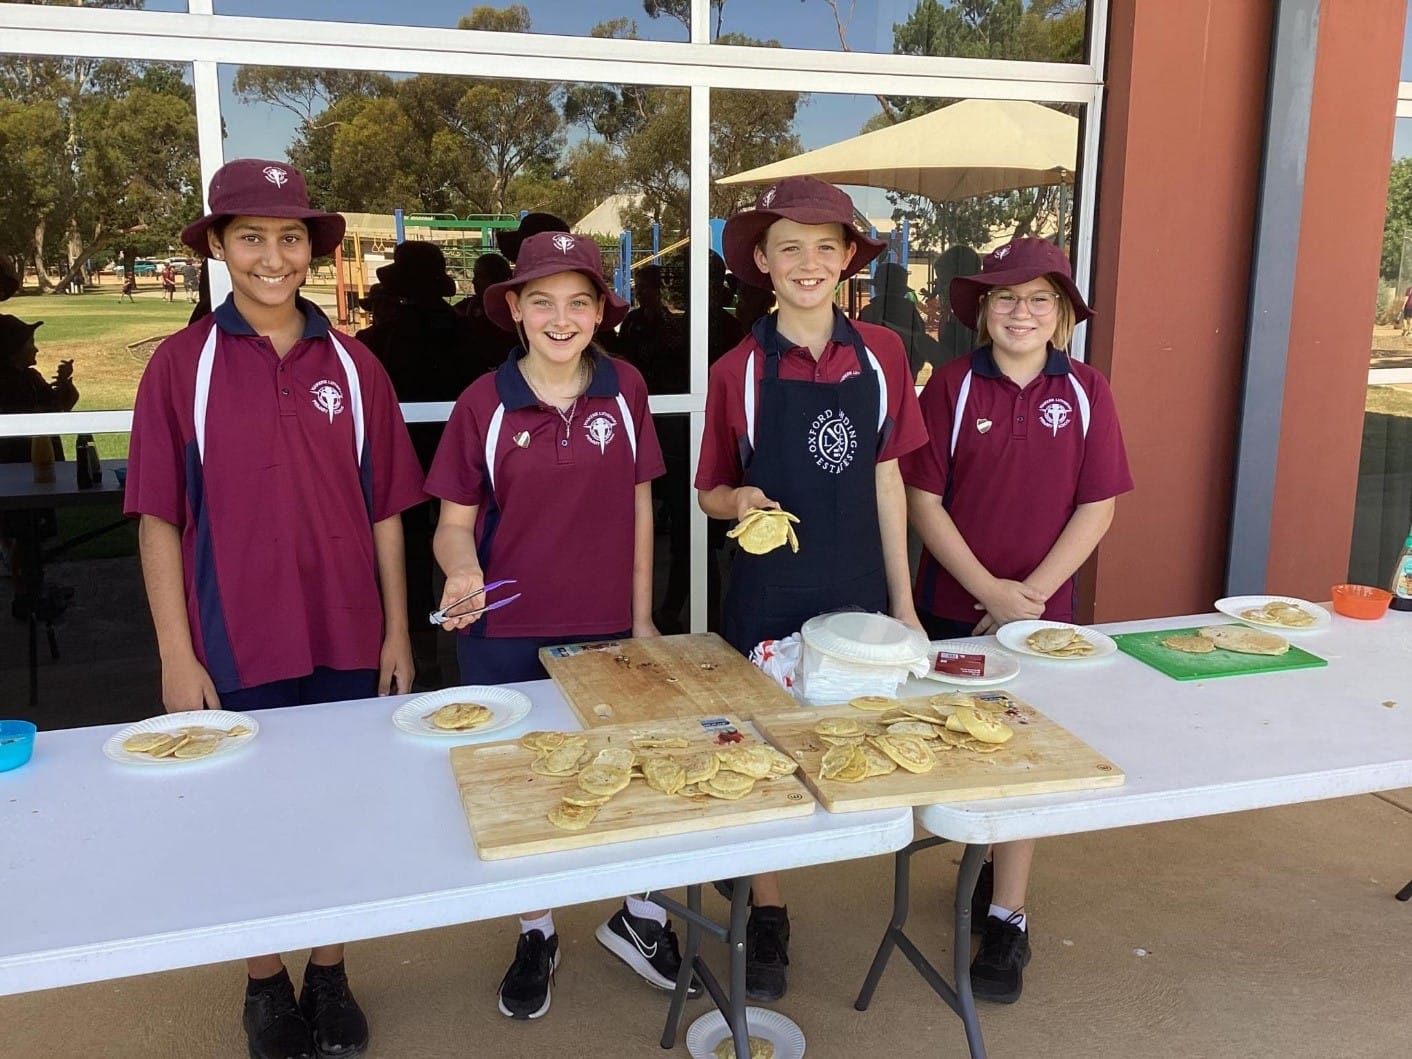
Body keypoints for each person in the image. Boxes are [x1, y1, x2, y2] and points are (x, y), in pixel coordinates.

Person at [124, 158, 425, 1059]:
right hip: (233, 638)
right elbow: (158, 521)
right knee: (245, 818)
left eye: (289, 237)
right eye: (250, 236)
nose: (271, 256)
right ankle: (265, 981)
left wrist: (398, 631)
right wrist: (178, 654)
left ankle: (329, 970)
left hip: (346, 629)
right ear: (217, 246)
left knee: (338, 806)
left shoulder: (356, 365)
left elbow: (385, 511)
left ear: (312, 249)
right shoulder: (182, 367)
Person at [426, 231, 697, 1021]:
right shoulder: (482, 402)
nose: (560, 316)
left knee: (628, 772)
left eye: (579, 301)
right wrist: (462, 567)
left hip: (609, 628)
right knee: (529, 785)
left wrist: (644, 614)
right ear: (513, 308)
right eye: (541, 299)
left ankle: (637, 913)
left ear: (601, 312)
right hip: (506, 633)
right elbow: (452, 521)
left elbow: (642, 502)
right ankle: (537, 926)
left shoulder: (627, 388)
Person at [696, 176, 928, 1001]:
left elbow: (891, 481)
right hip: (766, 594)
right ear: (761, 259)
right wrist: (740, 501)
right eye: (789, 245)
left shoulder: (884, 354)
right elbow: (710, 489)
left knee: (857, 747)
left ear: (847, 260)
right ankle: (768, 909)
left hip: (859, 593)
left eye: (826, 246)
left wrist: (903, 607)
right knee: (761, 760)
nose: (808, 262)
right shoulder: (739, 369)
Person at [901, 237, 1133, 1005]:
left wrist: (1025, 595)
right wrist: (983, 590)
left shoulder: (1090, 389)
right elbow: (924, 500)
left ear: (1062, 314)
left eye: (1039, 299)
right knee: (965, 754)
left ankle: (1007, 913)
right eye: (1005, 298)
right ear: (982, 312)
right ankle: (978, 866)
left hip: (1041, 618)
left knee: (1027, 763)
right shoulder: (954, 387)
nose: (1021, 312)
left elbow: (1097, 505)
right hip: (952, 609)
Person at [358, 239, 498, 688]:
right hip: (467, 458)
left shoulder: (387, 335)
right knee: (475, 543)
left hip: (413, 457)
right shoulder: (466, 329)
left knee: (415, 552)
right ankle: (450, 641)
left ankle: (422, 646)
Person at [0, 315, 79, 617]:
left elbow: (59, 408)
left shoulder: (30, 379)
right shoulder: (7, 383)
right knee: (22, 532)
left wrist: (64, 384)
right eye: (29, 343)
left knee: (33, 532)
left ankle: (34, 587)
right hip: (16, 470)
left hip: (39, 465)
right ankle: (25, 596)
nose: (36, 349)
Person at [856, 261, 941, 378]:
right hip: (906, 376)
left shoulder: (869, 312)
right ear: (902, 291)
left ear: (878, 287)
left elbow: (857, 348)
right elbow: (920, 349)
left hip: (874, 377)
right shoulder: (911, 313)